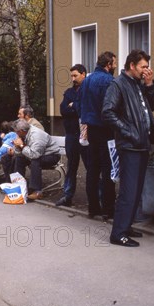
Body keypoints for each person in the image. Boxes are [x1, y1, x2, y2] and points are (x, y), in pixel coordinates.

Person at [102, 50, 154, 247]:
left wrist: (150, 85)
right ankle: (118, 233)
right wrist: (129, 132)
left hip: (142, 144)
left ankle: (126, 225)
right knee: (129, 190)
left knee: (137, 189)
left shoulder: (138, 84)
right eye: (143, 66)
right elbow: (108, 112)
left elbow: (153, 106)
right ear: (132, 65)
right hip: (130, 145)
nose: (146, 70)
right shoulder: (118, 84)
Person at [79, 51, 118, 219]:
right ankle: (109, 210)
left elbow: (80, 104)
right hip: (106, 129)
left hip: (91, 128)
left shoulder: (87, 80)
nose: (116, 66)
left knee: (92, 170)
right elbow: (112, 106)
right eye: (114, 63)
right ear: (108, 64)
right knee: (108, 169)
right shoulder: (109, 81)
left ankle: (93, 208)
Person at [56, 64, 90, 207]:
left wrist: (73, 106)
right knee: (71, 167)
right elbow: (63, 110)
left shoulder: (88, 91)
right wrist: (72, 107)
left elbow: (84, 109)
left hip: (86, 135)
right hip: (71, 135)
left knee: (90, 166)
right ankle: (67, 196)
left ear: (83, 74)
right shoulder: (69, 92)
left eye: (75, 75)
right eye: (71, 76)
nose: (73, 78)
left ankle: (96, 198)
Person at [11, 119, 61, 200]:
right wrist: (17, 146)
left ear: (21, 131)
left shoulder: (36, 135)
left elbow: (34, 155)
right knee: (19, 158)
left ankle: (37, 191)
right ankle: (17, 186)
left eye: (16, 132)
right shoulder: (23, 134)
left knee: (35, 161)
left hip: (52, 155)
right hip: (37, 154)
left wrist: (21, 146)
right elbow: (19, 153)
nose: (15, 133)